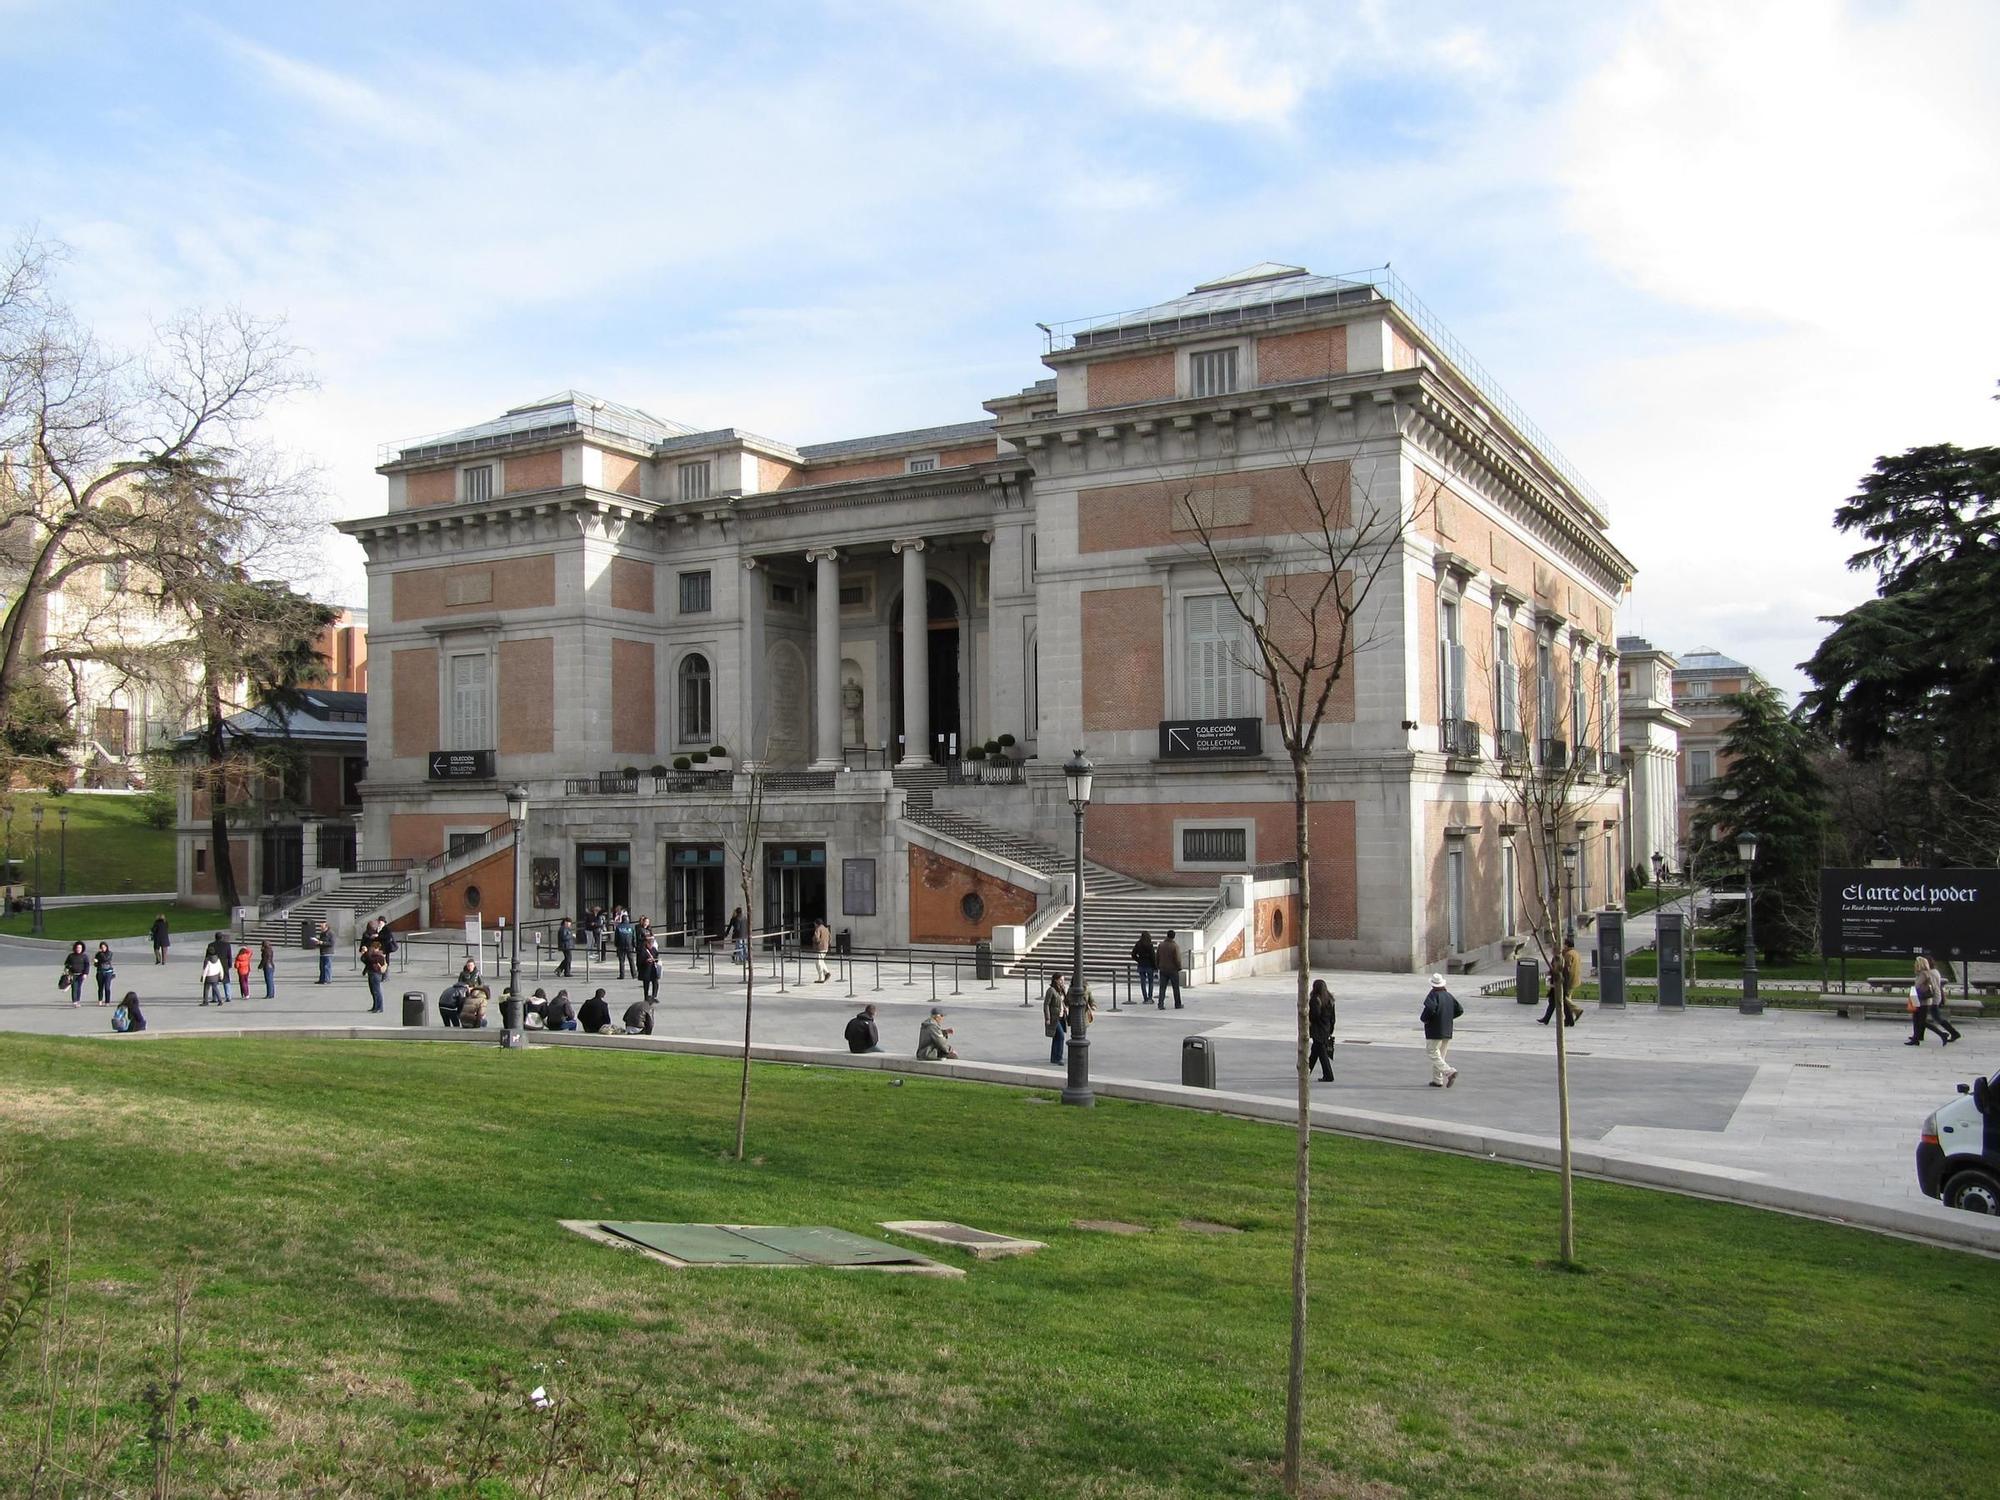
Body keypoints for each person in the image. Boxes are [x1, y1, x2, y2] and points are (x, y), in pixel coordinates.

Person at [1420, 974, 1463, 1088]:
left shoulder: (1433, 995)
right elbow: (1460, 1010)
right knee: (1440, 1056)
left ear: (1432, 985)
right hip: (1447, 1029)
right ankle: (1437, 1080)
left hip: (1435, 1030)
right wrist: (1448, 1018)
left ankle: (1449, 1072)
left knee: (1433, 1052)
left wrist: (1424, 1019)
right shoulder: (1449, 995)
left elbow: (1429, 1009)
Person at [1907, 952, 1958, 1046]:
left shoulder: (1925, 973)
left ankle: (1946, 1034)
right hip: (1928, 998)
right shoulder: (1933, 972)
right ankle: (1917, 1036)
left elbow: (1918, 986)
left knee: (1925, 1020)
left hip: (1925, 999)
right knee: (1920, 1020)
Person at [1308, 978, 1336, 1083]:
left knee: (1321, 1053)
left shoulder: (1315, 999)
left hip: (1318, 1029)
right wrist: (1331, 1029)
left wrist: (1308, 1020)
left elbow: (1314, 1016)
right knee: (1315, 1051)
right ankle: (1306, 1071)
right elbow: (1333, 1017)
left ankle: (1328, 1075)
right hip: (1326, 1028)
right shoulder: (1330, 999)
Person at [1043, 973, 1069, 1064]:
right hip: (1054, 1017)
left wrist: (1065, 991)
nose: (1063, 982)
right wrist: (1047, 1018)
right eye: (1061, 980)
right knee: (1061, 1036)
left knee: (1056, 1037)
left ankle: (1053, 1057)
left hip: (1061, 1016)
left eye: (1063, 980)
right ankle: (1059, 1057)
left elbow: (1066, 1002)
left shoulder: (1061, 990)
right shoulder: (1051, 990)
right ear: (1056, 980)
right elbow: (1046, 1004)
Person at [1156, 931, 1184, 1010]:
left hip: (1163, 969)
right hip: (1173, 969)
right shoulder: (1174, 946)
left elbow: (1157, 956)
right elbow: (1177, 959)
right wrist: (1179, 967)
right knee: (1175, 988)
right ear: (1173, 937)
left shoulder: (1161, 945)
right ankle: (1177, 1004)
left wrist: (1158, 965)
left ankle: (1160, 1004)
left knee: (1162, 988)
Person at [1131, 931, 1157, 1008]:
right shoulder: (1150, 945)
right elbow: (1153, 957)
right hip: (1149, 965)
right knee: (1150, 982)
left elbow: (1133, 954)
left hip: (1141, 965)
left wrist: (1138, 960)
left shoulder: (1138, 944)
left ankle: (1145, 998)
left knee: (1143, 982)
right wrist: (1155, 966)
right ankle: (1150, 997)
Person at [361, 942, 388, 1014]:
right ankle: (375, 1006)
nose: (371, 949)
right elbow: (365, 960)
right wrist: (364, 953)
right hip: (371, 973)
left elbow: (371, 960)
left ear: (376, 948)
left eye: (372, 947)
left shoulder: (379, 955)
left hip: (376, 974)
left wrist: (366, 952)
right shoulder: (371, 955)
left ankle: (379, 1007)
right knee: (373, 991)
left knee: (377, 991)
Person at [62, 941, 89, 1006]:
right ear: (75, 948)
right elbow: (66, 964)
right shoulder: (71, 956)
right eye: (77, 948)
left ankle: (78, 1000)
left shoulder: (84, 956)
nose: (79, 949)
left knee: (79, 987)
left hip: (81, 974)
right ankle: (74, 1001)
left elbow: (87, 965)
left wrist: (85, 973)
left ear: (82, 948)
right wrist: (67, 971)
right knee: (74, 987)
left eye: (80, 948)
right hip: (73, 974)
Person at [92, 941, 116, 1006]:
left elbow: (106, 959)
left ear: (107, 947)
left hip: (108, 972)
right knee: (100, 987)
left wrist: (99, 957)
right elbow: (96, 965)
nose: (103, 948)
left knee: (107, 987)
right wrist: (95, 962)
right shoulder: (98, 954)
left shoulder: (110, 953)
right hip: (100, 972)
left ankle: (107, 1001)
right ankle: (100, 1000)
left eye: (104, 947)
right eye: (102, 947)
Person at [613, 909, 635, 979]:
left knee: (621, 961)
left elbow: (616, 937)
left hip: (621, 946)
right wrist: (634, 945)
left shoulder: (618, 927)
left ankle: (622, 975)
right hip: (629, 946)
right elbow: (634, 937)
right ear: (627, 919)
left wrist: (616, 945)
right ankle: (634, 974)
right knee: (631, 960)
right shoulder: (631, 927)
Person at [811, 918, 832, 983]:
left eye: (814, 923)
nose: (814, 925)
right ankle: (826, 972)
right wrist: (827, 944)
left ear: (816, 923)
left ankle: (821, 978)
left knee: (818, 963)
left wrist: (815, 940)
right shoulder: (826, 929)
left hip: (819, 948)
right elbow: (830, 938)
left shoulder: (818, 929)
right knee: (821, 961)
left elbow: (816, 938)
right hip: (825, 947)